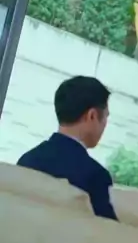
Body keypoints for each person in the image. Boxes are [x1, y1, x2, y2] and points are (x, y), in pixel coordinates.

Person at [17, 76, 117, 221]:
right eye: (106, 117)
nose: (105, 125)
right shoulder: (96, 177)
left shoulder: (27, 160)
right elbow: (108, 231)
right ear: (92, 116)